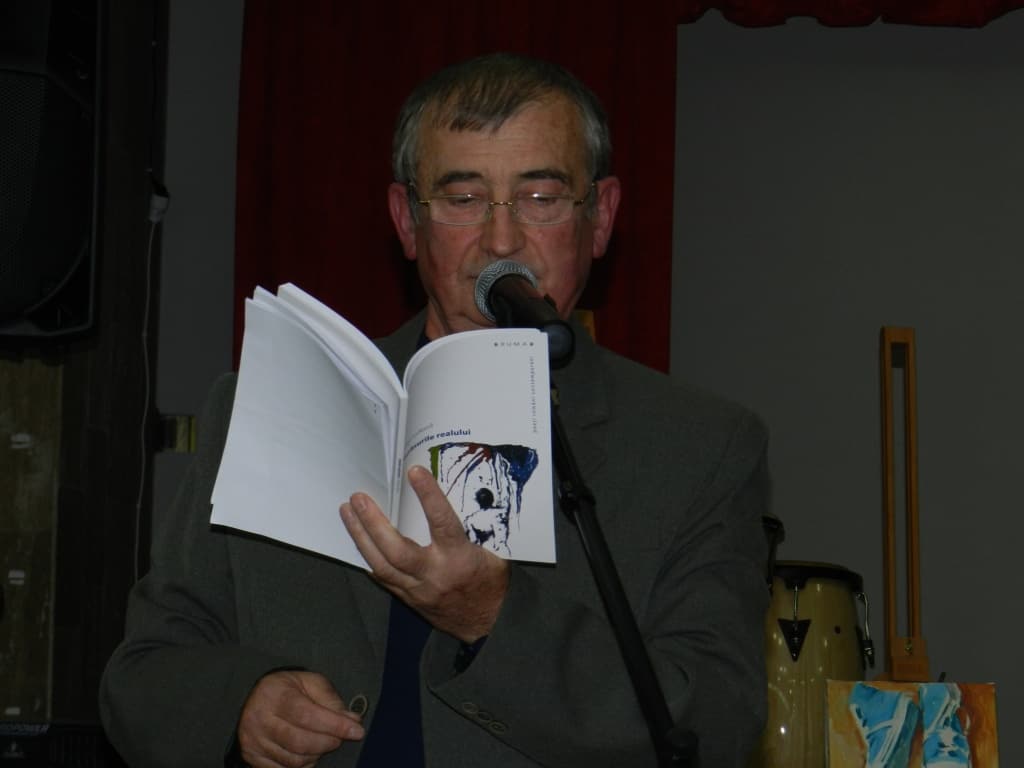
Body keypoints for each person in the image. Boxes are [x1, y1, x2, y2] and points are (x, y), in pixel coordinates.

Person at [99, 52, 771, 768]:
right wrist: (242, 703)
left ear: (599, 218)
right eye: (464, 199)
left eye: (540, 198)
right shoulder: (265, 408)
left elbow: (716, 725)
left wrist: (493, 619)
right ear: (407, 221)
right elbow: (141, 677)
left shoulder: (700, 447)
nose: (502, 241)